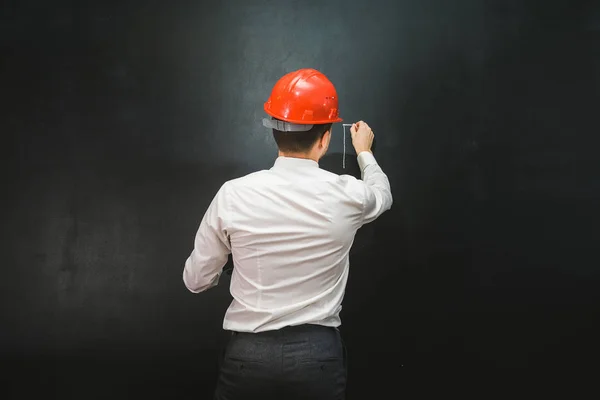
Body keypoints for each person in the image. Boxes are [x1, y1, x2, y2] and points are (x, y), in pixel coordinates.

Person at [183, 68, 393, 400]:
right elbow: (382, 195)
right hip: (318, 357)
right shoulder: (348, 194)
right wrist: (364, 151)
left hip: (247, 356)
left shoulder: (233, 194)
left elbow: (196, 280)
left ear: (275, 132)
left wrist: (228, 262)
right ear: (325, 139)